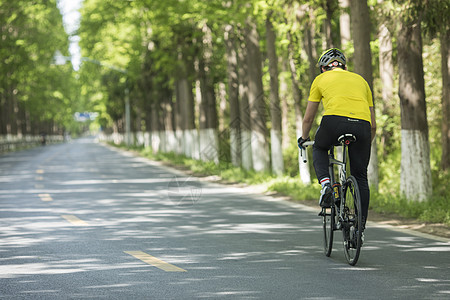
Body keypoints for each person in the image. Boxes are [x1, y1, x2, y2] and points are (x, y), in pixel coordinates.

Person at [297, 48, 376, 233]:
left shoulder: (320, 79)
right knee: (361, 177)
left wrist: (304, 138)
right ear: (345, 67)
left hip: (333, 122)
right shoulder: (362, 81)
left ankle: (325, 184)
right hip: (362, 126)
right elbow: (373, 125)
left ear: (324, 69)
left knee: (319, 147)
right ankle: (360, 227)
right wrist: (365, 142)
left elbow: (308, 119)